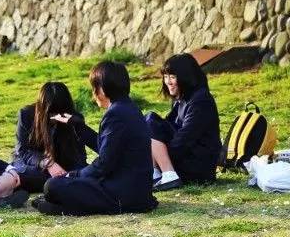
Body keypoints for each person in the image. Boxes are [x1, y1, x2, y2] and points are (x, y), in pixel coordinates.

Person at [33, 61, 157, 216]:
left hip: (121, 194)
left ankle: (61, 207)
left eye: (94, 88)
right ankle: (60, 204)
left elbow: (104, 164)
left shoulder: (115, 114)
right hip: (136, 189)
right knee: (61, 184)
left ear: (102, 89)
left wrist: (73, 175)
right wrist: (79, 126)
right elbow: (106, 149)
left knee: (52, 186)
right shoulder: (128, 107)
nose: (93, 94)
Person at [146, 53, 222, 191]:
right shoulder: (181, 97)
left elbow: (185, 138)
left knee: (151, 121)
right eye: (166, 77)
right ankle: (156, 172)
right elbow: (167, 127)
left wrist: (164, 155)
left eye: (172, 77)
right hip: (186, 156)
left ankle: (168, 174)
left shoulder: (200, 100)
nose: (168, 82)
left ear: (185, 77)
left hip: (199, 166)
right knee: (149, 122)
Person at [11, 82, 97, 193]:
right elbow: (22, 150)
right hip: (34, 165)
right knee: (19, 174)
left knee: (86, 174)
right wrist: (48, 163)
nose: (55, 117)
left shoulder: (74, 120)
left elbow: (79, 156)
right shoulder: (26, 115)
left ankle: (61, 184)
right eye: (51, 113)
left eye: (59, 113)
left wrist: (73, 173)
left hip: (64, 168)